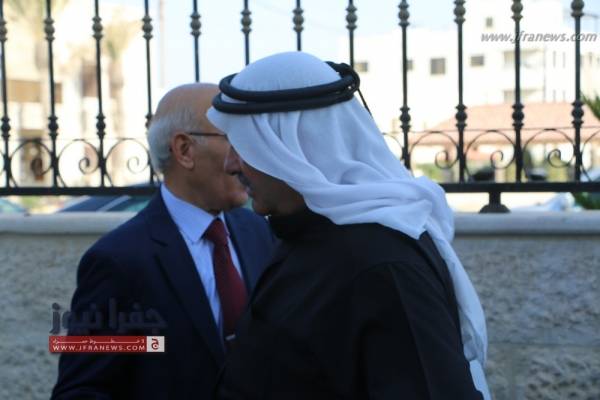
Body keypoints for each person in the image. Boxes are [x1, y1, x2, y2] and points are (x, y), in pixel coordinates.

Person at [207, 52, 491, 399]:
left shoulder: (384, 265)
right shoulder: (301, 232)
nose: (230, 164)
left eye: (243, 146)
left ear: (293, 147)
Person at [51, 83, 276, 399]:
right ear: (184, 150)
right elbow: (81, 390)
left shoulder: (261, 233)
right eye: (234, 139)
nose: (247, 156)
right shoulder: (117, 261)